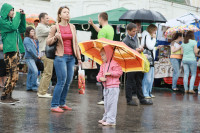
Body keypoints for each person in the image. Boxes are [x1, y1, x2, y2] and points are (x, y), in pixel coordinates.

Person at [47, 6, 81, 113]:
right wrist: (55, 37)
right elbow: (48, 42)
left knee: (68, 81)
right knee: (61, 81)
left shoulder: (72, 27)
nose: (67, 13)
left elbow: (75, 43)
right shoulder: (55, 27)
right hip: (60, 57)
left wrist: (79, 57)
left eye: (68, 12)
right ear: (60, 15)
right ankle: (54, 105)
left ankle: (62, 103)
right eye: (64, 12)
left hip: (71, 57)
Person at [0, 3, 26, 104]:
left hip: (15, 52)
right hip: (9, 52)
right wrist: (18, 15)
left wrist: (22, 16)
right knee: (12, 75)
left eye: (13, 10)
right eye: (11, 10)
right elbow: (14, 26)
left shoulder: (11, 22)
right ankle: (4, 96)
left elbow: (22, 29)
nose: (13, 12)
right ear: (6, 11)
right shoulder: (2, 21)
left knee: (14, 76)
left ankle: (9, 95)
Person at [122, 23, 153, 106]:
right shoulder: (125, 40)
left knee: (139, 81)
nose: (135, 32)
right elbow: (125, 53)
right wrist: (135, 50)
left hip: (137, 62)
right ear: (128, 31)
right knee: (130, 81)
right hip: (130, 64)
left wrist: (140, 49)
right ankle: (129, 100)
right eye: (133, 31)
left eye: (136, 31)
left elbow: (137, 47)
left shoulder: (136, 38)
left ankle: (141, 99)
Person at [88, 12, 114, 105]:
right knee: (107, 75)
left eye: (98, 18)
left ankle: (104, 98)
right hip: (110, 55)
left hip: (103, 56)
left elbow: (99, 44)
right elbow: (101, 31)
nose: (98, 20)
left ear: (101, 19)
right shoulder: (110, 28)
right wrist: (93, 25)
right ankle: (107, 97)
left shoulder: (103, 30)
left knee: (103, 76)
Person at [96, 45, 123, 126]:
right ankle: (106, 117)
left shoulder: (115, 63)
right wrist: (100, 78)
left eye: (103, 55)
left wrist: (110, 73)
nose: (101, 57)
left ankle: (111, 120)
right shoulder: (103, 65)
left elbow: (119, 72)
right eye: (101, 55)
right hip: (106, 87)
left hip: (113, 87)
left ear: (108, 54)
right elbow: (99, 75)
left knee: (112, 104)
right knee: (107, 103)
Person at [36, 13, 53, 98]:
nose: (48, 19)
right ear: (42, 19)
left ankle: (41, 91)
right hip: (45, 52)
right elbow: (50, 32)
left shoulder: (46, 27)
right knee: (47, 73)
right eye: (47, 18)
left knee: (46, 73)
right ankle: (42, 93)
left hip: (46, 52)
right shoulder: (40, 27)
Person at [141, 24, 157, 98]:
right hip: (148, 57)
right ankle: (145, 92)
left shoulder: (146, 35)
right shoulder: (147, 35)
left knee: (150, 76)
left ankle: (148, 92)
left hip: (149, 56)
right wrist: (154, 39)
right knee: (148, 76)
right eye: (155, 31)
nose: (155, 32)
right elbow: (150, 46)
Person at [23, 26, 40, 91]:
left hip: (33, 57)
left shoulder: (32, 39)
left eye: (33, 31)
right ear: (28, 32)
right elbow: (30, 49)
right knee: (35, 71)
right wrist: (36, 56)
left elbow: (36, 48)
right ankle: (34, 86)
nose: (33, 32)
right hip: (29, 57)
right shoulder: (27, 39)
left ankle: (29, 87)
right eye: (32, 31)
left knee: (31, 72)